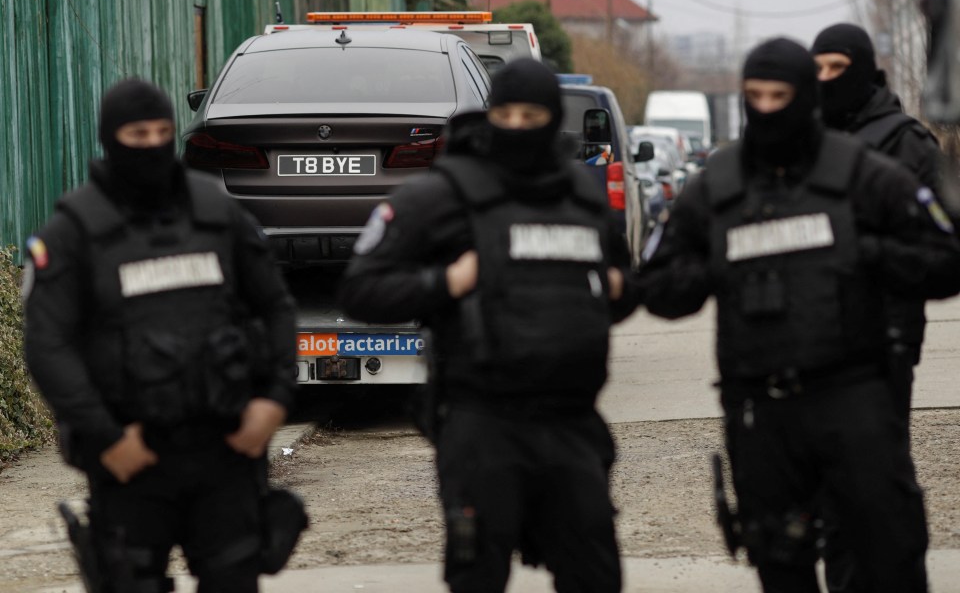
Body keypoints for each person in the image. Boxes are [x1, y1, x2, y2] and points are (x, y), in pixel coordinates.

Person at [638, 38, 960, 593]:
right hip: (762, 410)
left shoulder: (861, 173)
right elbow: (659, 287)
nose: (767, 109)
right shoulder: (718, 185)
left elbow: (946, 259)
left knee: (887, 554)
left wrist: (869, 253)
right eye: (754, 96)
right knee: (779, 556)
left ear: (806, 96)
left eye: (780, 95)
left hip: (853, 396)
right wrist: (717, 264)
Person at [338, 58, 637, 593]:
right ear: (489, 113)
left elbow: (619, 286)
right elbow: (361, 289)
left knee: (595, 572)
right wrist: (445, 283)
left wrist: (614, 286)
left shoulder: (579, 194)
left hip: (570, 420)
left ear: (553, 119)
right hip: (483, 421)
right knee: (478, 574)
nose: (518, 126)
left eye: (532, 114)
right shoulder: (443, 194)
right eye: (507, 114)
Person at [22, 78, 299, 593]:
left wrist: (274, 401)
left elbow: (276, 306)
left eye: (162, 131)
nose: (151, 144)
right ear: (110, 138)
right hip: (131, 458)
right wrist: (105, 436)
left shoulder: (217, 213)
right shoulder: (74, 231)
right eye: (136, 132)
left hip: (227, 449)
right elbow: (47, 345)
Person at [811, 22, 953, 593]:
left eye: (836, 69)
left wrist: (867, 255)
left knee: (881, 486)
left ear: (865, 69)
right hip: (815, 341)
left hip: (881, 344)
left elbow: (943, 255)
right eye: (815, 68)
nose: (823, 80)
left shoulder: (907, 143)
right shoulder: (804, 141)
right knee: (829, 493)